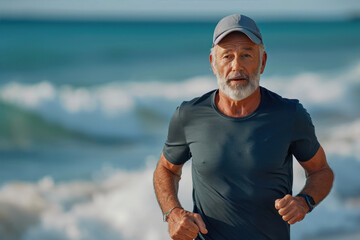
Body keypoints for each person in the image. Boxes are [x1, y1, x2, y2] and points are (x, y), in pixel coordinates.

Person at [153, 14, 334, 240]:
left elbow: (321, 171)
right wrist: (173, 214)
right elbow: (166, 169)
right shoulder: (189, 115)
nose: (236, 66)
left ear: (263, 61)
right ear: (213, 63)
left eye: (246, 55)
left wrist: (304, 201)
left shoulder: (290, 114)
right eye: (227, 56)